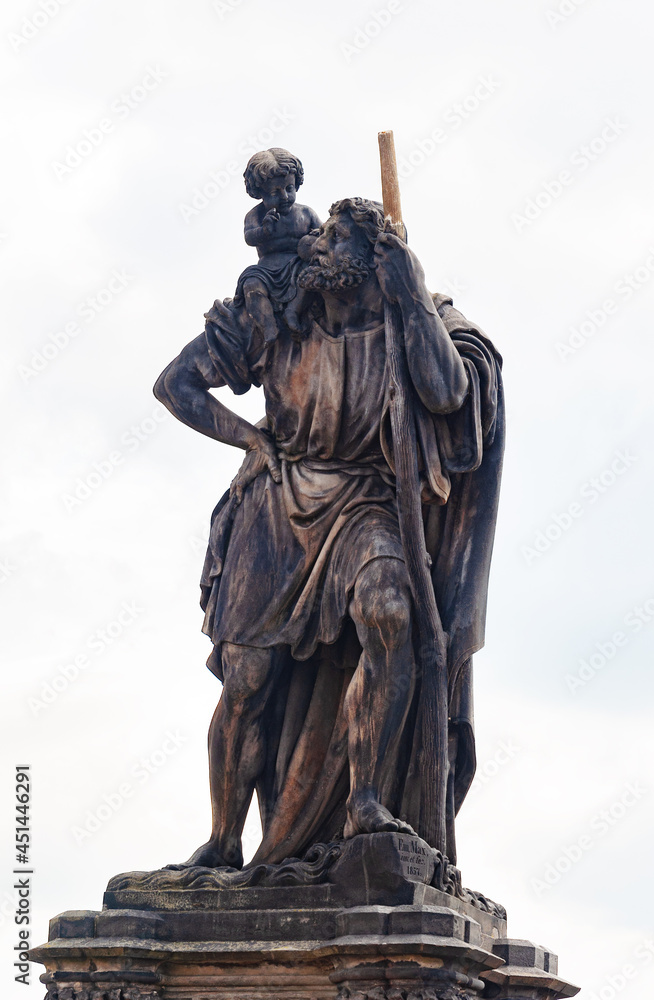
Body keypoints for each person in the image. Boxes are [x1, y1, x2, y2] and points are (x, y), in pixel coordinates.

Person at [154, 197, 504, 870]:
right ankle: (225, 838)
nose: (318, 248)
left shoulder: (412, 320)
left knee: (389, 612)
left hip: (366, 503)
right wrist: (251, 440)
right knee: (248, 679)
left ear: (376, 262)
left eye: (339, 238)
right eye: (322, 237)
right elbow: (177, 386)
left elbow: (446, 394)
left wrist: (411, 292)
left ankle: (366, 800)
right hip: (277, 503)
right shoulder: (278, 315)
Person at [234, 147, 321, 343]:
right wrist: (264, 231)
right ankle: (269, 328)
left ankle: (293, 312)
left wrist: (315, 239)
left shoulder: (306, 213)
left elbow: (324, 236)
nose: (285, 196)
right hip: (266, 270)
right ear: (259, 192)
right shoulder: (256, 215)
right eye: (275, 191)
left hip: (299, 264)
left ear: (296, 184)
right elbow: (249, 238)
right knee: (251, 285)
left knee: (310, 273)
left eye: (289, 188)